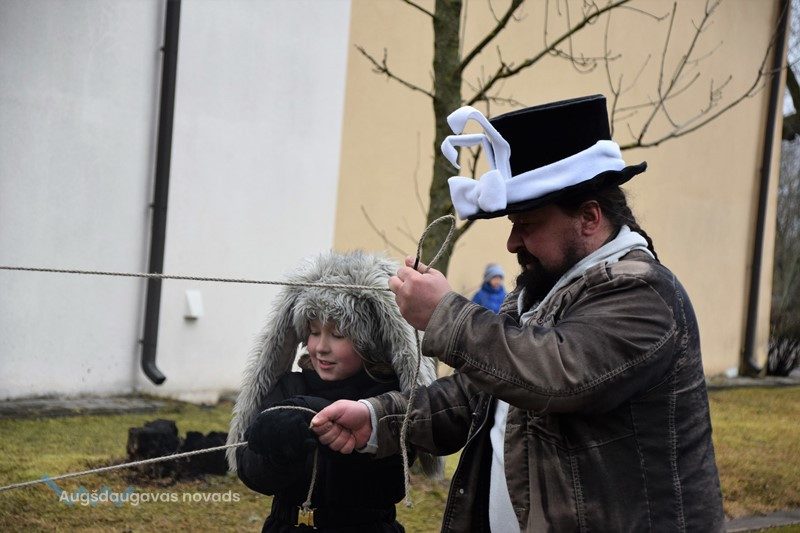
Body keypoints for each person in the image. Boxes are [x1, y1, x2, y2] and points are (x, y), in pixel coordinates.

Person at [310, 95, 725, 531]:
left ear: (589, 217)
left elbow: (557, 374)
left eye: (526, 224)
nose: (512, 243)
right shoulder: (541, 291)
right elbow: (474, 397)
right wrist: (377, 418)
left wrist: (444, 315)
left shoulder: (644, 292)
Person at [227, 250, 442, 532]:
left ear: (370, 342)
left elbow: (388, 483)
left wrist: (319, 416)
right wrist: (279, 453)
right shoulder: (288, 388)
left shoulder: (387, 400)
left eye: (338, 335)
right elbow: (253, 473)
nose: (320, 347)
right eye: (314, 332)